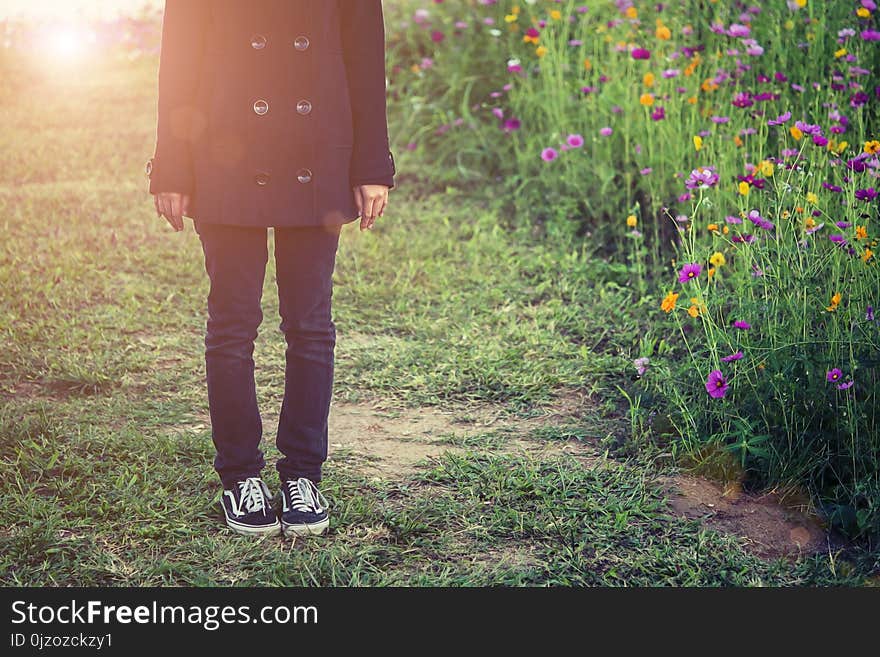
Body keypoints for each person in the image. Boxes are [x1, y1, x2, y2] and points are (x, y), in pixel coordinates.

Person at [145, 0, 396, 538]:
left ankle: (303, 474)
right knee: (233, 323)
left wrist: (372, 162)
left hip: (318, 151)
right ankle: (239, 475)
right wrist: (171, 164)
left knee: (310, 324)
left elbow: (365, 57)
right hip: (223, 151)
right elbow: (180, 57)